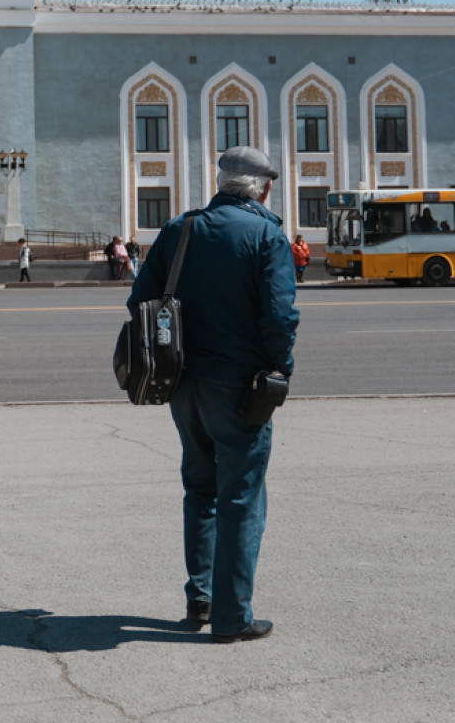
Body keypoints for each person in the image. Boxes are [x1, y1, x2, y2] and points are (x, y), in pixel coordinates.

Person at [126, 145, 299, 643]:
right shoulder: (267, 234)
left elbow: (141, 301)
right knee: (241, 497)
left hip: (181, 381)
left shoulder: (181, 229)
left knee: (200, 489)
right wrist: (280, 368)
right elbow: (280, 316)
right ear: (263, 188)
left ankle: (200, 598)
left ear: (221, 183)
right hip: (241, 385)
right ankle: (232, 616)